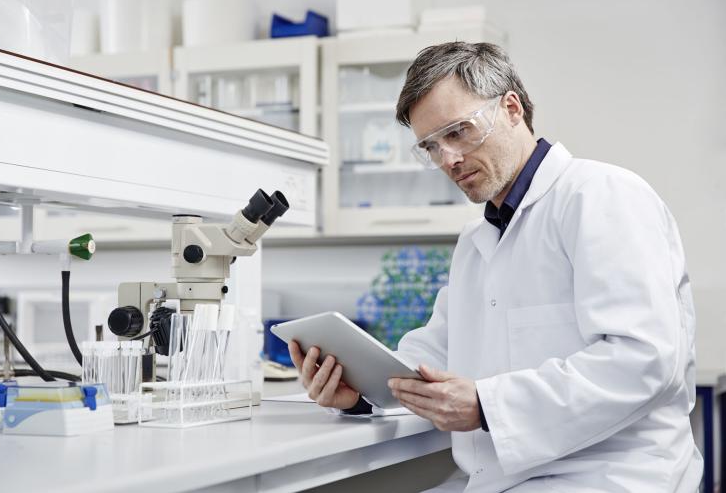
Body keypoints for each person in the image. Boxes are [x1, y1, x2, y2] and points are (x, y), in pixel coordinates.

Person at [288, 42, 702, 492]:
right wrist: (360, 394)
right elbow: (434, 358)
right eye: (430, 146)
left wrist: (487, 406)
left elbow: (644, 360)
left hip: (612, 477)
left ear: (511, 108)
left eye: (458, 132)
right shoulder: (477, 240)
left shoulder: (601, 195)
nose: (448, 159)